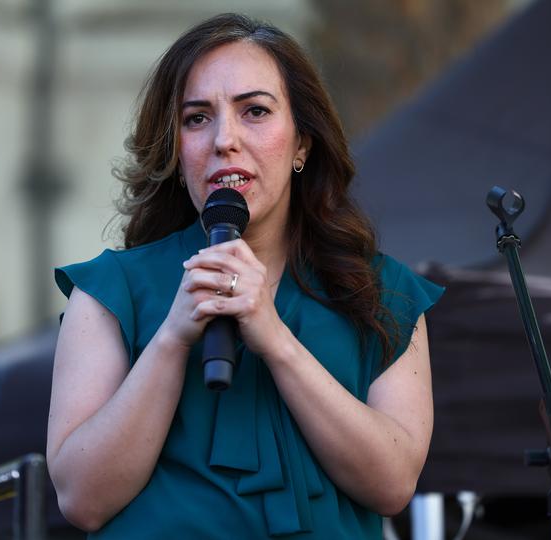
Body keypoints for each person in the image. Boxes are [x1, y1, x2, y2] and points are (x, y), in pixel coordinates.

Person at [47, 13, 443, 539]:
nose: (223, 140)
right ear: (176, 149)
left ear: (303, 143)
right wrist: (173, 337)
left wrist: (275, 338)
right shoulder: (109, 291)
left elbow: (392, 484)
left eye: (254, 111)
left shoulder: (383, 293)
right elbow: (81, 499)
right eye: (196, 118)